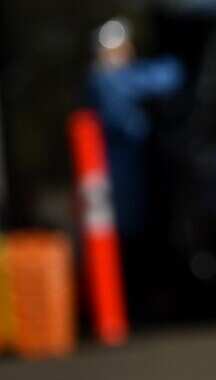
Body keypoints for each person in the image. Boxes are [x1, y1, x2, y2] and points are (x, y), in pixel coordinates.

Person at [84, 18, 184, 244]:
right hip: (120, 166)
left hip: (124, 163)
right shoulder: (107, 79)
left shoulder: (105, 78)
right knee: (125, 227)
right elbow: (165, 78)